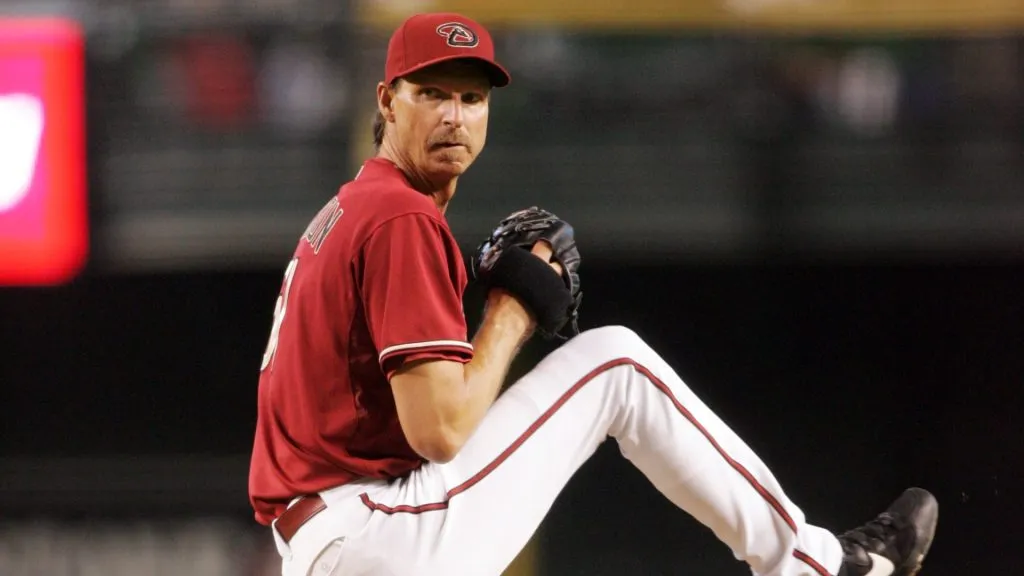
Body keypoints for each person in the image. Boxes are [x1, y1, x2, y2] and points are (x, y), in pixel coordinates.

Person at [247, 12, 939, 576]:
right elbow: (442, 431)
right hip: (373, 537)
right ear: (386, 101)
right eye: (432, 93)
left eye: (472, 97)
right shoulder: (400, 217)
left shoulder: (351, 210)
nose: (454, 115)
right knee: (616, 364)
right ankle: (817, 566)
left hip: (334, 540)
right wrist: (511, 311)